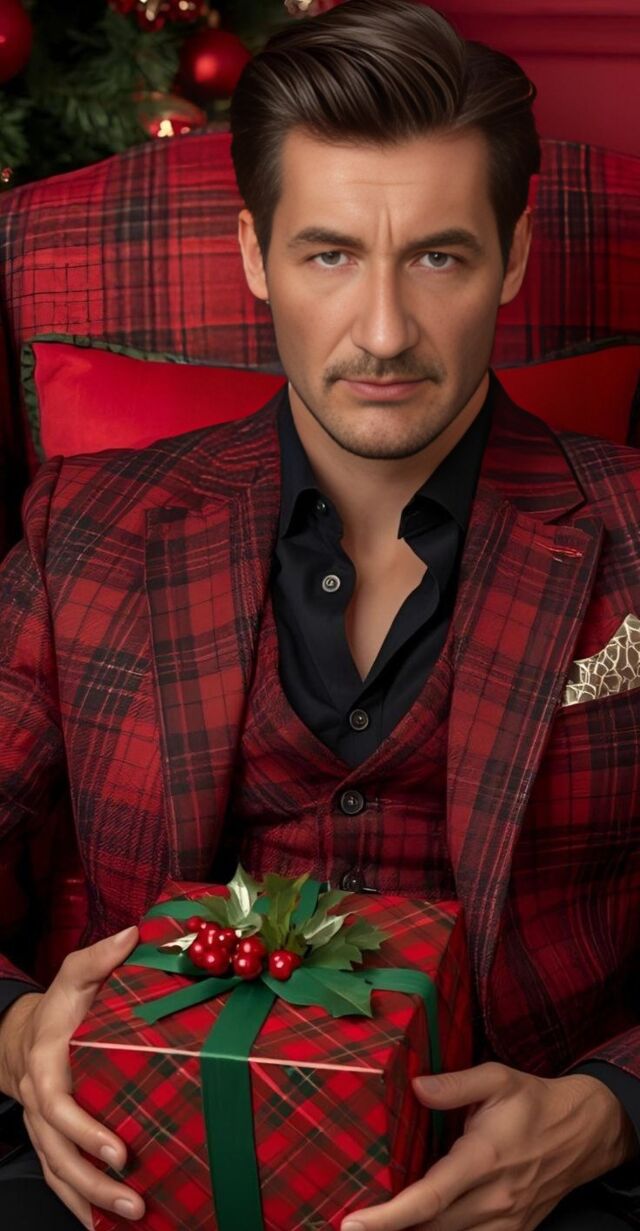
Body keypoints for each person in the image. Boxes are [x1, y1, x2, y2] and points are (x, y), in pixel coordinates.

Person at [0, 1, 638, 1228]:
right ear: (255, 257)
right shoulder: (87, 525)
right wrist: (19, 1031)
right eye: (330, 255)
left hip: (544, 1192)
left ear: (511, 258)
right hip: (129, 1173)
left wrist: (613, 1106)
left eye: (439, 258)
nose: (384, 333)